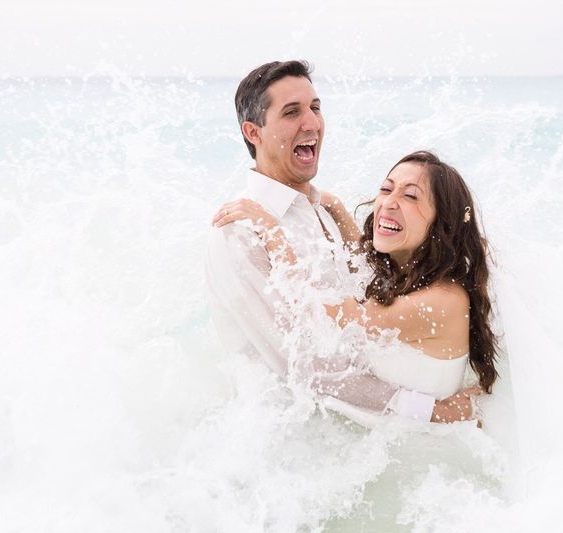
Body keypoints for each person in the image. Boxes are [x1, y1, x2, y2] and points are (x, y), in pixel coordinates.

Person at [205, 60, 479, 424]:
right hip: (301, 441)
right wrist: (431, 411)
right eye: (292, 112)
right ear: (253, 133)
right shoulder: (241, 232)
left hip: (374, 437)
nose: (312, 123)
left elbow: (359, 298)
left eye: (315, 108)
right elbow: (308, 365)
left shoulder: (318, 210)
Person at [213, 150, 498, 426]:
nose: (388, 203)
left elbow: (333, 317)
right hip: (394, 435)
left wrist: (271, 230)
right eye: (386, 189)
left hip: (424, 453)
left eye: (410, 195)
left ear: (443, 221)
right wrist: (329, 204)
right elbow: (363, 262)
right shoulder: (407, 272)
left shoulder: (443, 299)